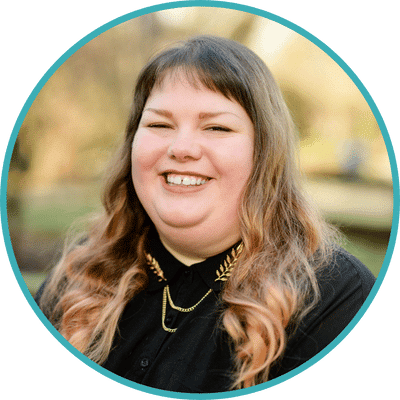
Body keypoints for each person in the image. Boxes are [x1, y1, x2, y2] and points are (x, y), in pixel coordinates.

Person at [36, 35, 376, 393]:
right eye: (159, 125)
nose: (181, 148)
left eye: (217, 127)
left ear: (265, 153)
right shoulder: (79, 275)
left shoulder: (337, 298)